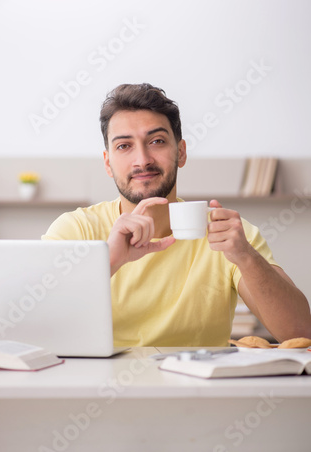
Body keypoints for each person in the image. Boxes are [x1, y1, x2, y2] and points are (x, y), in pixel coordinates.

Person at [42, 83, 311, 347]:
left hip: (196, 389)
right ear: (108, 163)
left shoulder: (229, 235)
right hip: (97, 388)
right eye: (124, 146)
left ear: (180, 152)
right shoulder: (76, 230)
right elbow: (33, 322)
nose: (142, 160)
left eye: (157, 141)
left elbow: (300, 333)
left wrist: (246, 257)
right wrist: (108, 263)